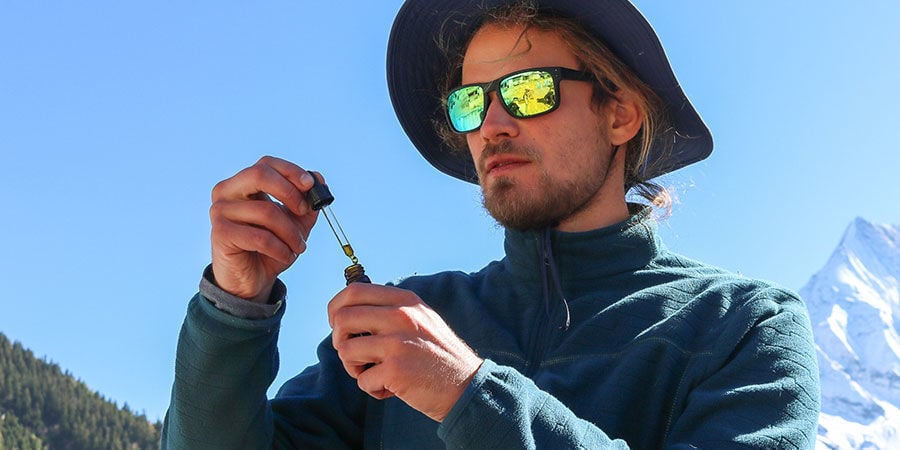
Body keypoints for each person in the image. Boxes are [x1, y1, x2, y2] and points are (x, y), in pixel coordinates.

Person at [162, 0, 821, 448]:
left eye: (531, 90)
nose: (494, 123)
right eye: (472, 100)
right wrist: (233, 307)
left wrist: (469, 395)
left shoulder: (746, 326)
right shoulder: (413, 318)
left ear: (620, 115)